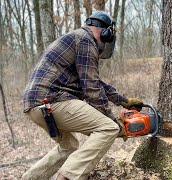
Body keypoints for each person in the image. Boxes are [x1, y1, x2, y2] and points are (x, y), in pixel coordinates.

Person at [22, 11, 143, 180]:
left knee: (69, 146)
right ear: (105, 32)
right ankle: (67, 177)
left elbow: (95, 82)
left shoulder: (77, 38)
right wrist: (114, 122)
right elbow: (92, 88)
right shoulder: (86, 41)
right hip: (53, 101)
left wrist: (124, 101)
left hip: (35, 106)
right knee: (108, 128)